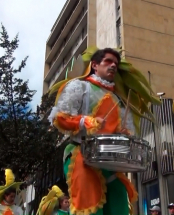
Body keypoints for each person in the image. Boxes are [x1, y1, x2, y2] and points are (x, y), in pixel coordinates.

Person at [48, 47, 159, 215]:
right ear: (94, 65)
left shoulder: (118, 100)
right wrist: (87, 121)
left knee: (119, 201)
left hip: (108, 161)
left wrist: (124, 134)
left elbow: (123, 131)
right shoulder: (80, 87)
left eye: (116, 63)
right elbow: (59, 118)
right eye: (108, 61)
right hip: (81, 154)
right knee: (89, 205)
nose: (113, 65)